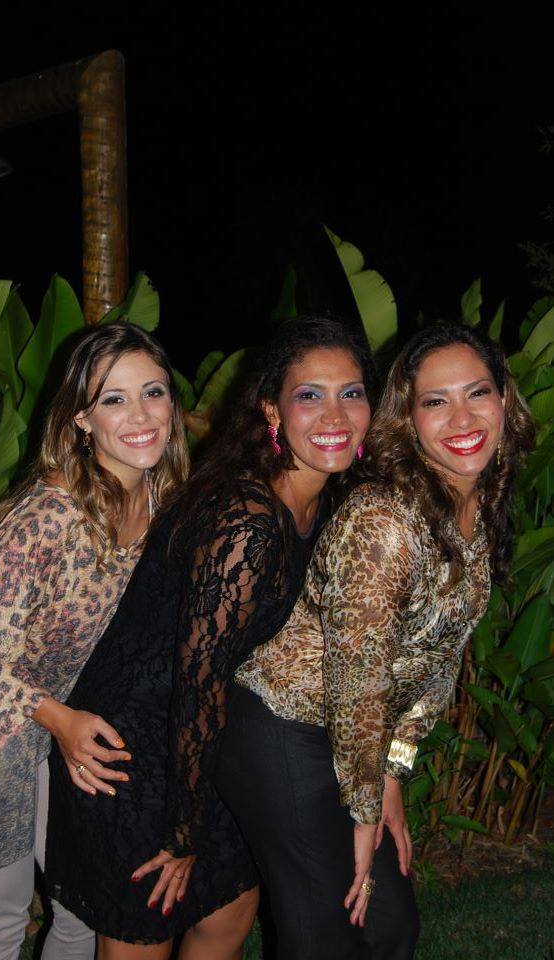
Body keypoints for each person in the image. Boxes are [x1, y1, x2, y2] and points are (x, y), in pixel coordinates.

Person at [45, 315, 375, 960]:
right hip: (134, 749)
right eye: (310, 395)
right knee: (148, 925)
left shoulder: (324, 499)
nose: (335, 414)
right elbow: (196, 683)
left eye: (352, 392)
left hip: (210, 747)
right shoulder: (248, 522)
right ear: (272, 411)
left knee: (227, 918)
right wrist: (182, 833)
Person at [228, 323, 535, 960]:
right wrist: (364, 810)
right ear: (409, 418)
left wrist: (392, 771)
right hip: (282, 731)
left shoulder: (472, 505)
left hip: (352, 739)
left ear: (504, 399)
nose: (462, 419)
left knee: (390, 928)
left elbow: (437, 663)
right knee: (326, 936)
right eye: (435, 401)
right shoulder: (384, 520)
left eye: (477, 392)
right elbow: (359, 680)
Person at [0, 323, 189, 960]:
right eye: (114, 399)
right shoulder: (53, 516)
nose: (141, 415)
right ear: (82, 421)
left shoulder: (160, 497)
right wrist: (61, 720)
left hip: (56, 726)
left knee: (83, 904)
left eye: (152, 392)